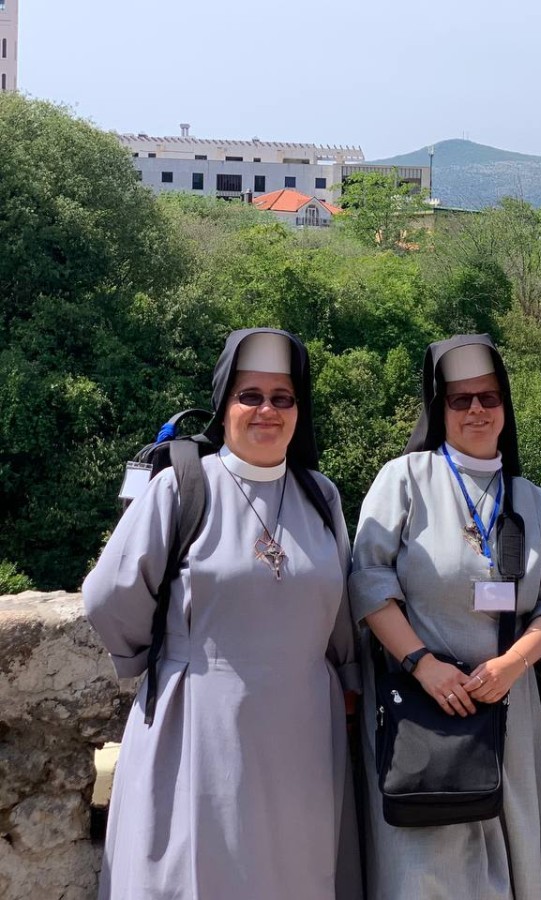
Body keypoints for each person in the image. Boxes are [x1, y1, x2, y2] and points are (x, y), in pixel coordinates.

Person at [82, 328, 361, 899]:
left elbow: (339, 608)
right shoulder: (180, 487)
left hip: (303, 731)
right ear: (223, 404)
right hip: (199, 720)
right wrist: (167, 661)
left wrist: (346, 676)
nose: (267, 410)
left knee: (294, 873)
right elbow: (109, 593)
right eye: (249, 396)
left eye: (282, 398)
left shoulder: (321, 495)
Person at [350, 334, 541, 900]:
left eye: (489, 398)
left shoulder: (534, 501)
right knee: (426, 865)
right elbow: (368, 581)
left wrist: (512, 666)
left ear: (505, 407)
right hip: (423, 706)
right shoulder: (404, 479)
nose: (476, 410)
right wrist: (423, 665)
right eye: (460, 399)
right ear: (439, 409)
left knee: (513, 854)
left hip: (507, 702)